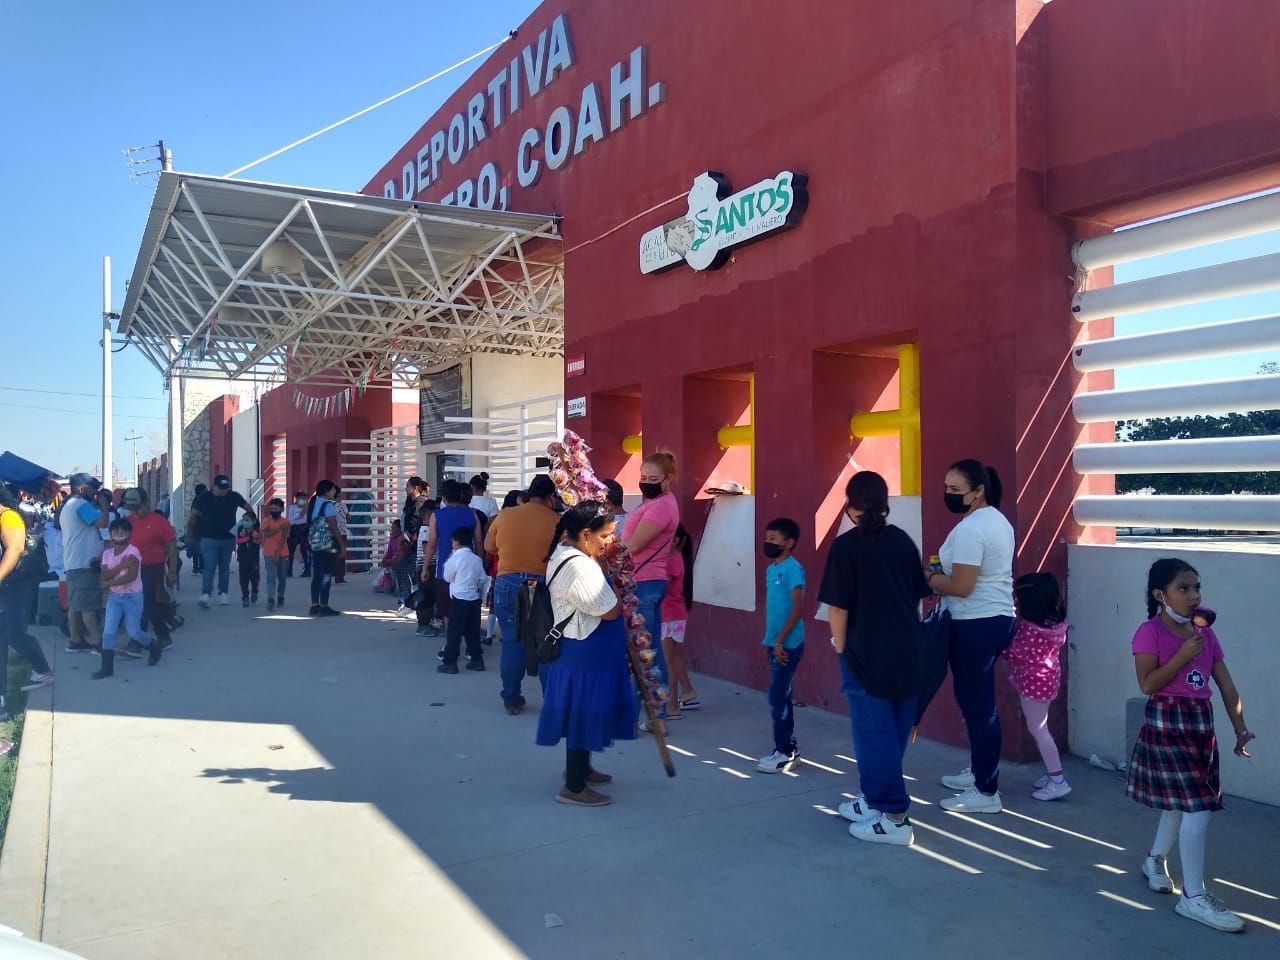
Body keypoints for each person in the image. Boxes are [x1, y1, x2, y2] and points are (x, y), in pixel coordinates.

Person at [1127, 559, 1253, 934]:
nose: (1194, 595)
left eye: (1196, 587)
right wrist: (1182, 655)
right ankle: (1193, 897)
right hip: (1166, 723)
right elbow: (1147, 684)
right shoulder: (1149, 632)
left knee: (1179, 804)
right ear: (1160, 595)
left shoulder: (1206, 636)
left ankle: (1154, 860)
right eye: (1183, 588)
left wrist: (1240, 728)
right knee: (1197, 807)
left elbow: (1226, 684)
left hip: (1199, 724)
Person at [820, 472, 931, 846]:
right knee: (894, 730)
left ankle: (895, 817)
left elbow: (838, 607)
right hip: (908, 649)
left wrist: (840, 647)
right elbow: (916, 594)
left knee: (873, 733)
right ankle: (874, 797)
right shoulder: (902, 540)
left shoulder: (846, 547)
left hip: (865, 653)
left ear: (851, 506)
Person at [927, 458, 1015, 814]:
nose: (948, 494)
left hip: (974, 621)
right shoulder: (997, 520)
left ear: (978, 490)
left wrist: (929, 578)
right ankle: (980, 771)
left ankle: (986, 790)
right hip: (994, 618)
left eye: (955, 489)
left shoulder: (971, 528)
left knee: (979, 708)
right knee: (974, 703)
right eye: (946, 487)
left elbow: (962, 586)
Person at [537, 500, 636, 806]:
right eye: (605, 535)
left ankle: (581, 769)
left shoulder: (573, 554)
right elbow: (608, 610)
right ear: (585, 534)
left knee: (586, 712)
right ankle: (574, 787)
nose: (609, 541)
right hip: (585, 651)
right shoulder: (579, 566)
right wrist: (614, 590)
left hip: (590, 651)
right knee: (583, 714)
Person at [485, 475, 561, 715]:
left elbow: (489, 547)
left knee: (512, 641)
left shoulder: (506, 515)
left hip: (507, 582)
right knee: (547, 642)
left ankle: (511, 698)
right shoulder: (557, 521)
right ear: (551, 497)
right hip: (541, 584)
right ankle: (551, 701)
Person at [1005, 572, 1071, 801]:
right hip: (1048, 681)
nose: (1016, 601)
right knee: (1042, 729)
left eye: (1018, 597)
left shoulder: (1031, 631)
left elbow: (1014, 653)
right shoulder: (1055, 625)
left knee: (1039, 731)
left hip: (1034, 686)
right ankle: (1052, 772)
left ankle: (1057, 780)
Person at [622, 451, 680, 700]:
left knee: (641, 653)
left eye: (653, 479)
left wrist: (607, 548)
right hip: (648, 581)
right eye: (643, 477)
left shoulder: (660, 507)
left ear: (668, 479)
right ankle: (659, 710)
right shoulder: (658, 502)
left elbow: (635, 545)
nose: (646, 483)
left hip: (644, 583)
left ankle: (640, 711)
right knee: (650, 651)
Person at [756, 518, 806, 773]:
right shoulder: (771, 569)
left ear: (789, 542)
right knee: (782, 695)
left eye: (773, 539)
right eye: (767, 538)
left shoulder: (793, 569)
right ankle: (789, 748)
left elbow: (797, 609)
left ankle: (784, 752)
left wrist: (780, 640)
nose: (768, 542)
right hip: (774, 642)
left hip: (786, 644)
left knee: (777, 697)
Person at [0, 486, 54, 706]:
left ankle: (42, 670)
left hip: (15, 585)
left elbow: (14, 549)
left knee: (13, 633)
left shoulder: (8, 517)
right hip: (9, 585)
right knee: (9, 634)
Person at [96, 517, 162, 678]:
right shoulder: (107, 554)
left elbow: (131, 577)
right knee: (108, 632)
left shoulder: (133, 552)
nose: (119, 534)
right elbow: (104, 574)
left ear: (129, 533)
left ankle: (153, 646)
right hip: (115, 597)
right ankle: (107, 668)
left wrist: (109, 582)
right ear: (111, 534)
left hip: (133, 597)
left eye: (123, 531)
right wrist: (121, 566)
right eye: (116, 531)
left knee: (133, 631)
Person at [423, 480, 484, 639]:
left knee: (447, 611)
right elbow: (479, 543)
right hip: (469, 569)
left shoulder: (436, 516)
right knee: (469, 607)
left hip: (444, 570)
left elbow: (431, 544)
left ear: (444, 498)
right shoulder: (472, 514)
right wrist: (481, 564)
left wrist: (425, 567)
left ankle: (450, 643)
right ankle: (472, 646)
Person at [122, 488, 178, 655]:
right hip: (133, 570)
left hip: (152, 569)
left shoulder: (159, 522)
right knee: (150, 607)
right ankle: (164, 638)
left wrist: (172, 571)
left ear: (147, 503)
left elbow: (172, 547)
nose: (135, 512)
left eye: (138, 508)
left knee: (142, 605)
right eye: (132, 509)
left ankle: (137, 643)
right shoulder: (127, 522)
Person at [61, 473, 108, 653]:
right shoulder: (81, 505)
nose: (96, 492)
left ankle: (75, 640)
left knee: (75, 605)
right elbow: (103, 523)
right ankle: (96, 643)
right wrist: (104, 506)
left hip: (73, 563)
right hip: (85, 564)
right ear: (82, 489)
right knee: (89, 606)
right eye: (93, 488)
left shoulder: (69, 505)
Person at [188, 474, 250, 609]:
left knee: (224, 567)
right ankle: (206, 594)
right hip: (208, 538)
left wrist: (244, 525)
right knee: (209, 566)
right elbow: (193, 515)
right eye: (221, 488)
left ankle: (223, 593)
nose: (223, 491)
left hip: (228, 538)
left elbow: (248, 508)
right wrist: (191, 533)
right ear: (214, 486)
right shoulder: (203, 498)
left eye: (225, 488)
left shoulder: (233, 496)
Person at [439, 526, 488, 674]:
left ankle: (450, 662)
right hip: (474, 599)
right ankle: (477, 660)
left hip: (459, 598)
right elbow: (483, 578)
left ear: (457, 542)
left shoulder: (455, 558)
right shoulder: (476, 559)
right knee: (472, 631)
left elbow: (447, 577)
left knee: (454, 632)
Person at [661, 524, 698, 717]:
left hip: (669, 615)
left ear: (675, 540)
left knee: (667, 660)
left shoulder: (671, 561)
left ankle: (672, 706)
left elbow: (661, 588)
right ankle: (688, 692)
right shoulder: (675, 559)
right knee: (672, 656)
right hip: (673, 614)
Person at [306, 481, 344, 617]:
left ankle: (314, 605)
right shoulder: (328, 505)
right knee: (326, 575)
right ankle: (324, 606)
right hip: (328, 545)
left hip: (315, 544)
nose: (334, 492)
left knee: (316, 574)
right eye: (333, 490)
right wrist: (342, 546)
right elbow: (334, 528)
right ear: (326, 491)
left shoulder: (313, 502)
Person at [396, 477, 431, 613]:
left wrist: (405, 537)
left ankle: (410, 602)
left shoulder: (419, 504)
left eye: (407, 486)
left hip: (414, 544)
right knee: (406, 571)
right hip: (410, 544)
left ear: (415, 488)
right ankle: (408, 601)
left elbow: (414, 523)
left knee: (407, 571)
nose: (405, 488)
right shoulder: (413, 502)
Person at [259, 498, 291, 610]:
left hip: (283, 553)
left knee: (282, 577)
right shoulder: (266, 520)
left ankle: (280, 597)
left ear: (282, 509)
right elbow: (266, 534)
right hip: (268, 552)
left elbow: (283, 538)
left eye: (276, 509)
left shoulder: (286, 521)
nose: (273, 511)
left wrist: (277, 553)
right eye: (271, 509)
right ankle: (270, 599)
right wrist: (279, 528)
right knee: (271, 577)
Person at [234, 512, 262, 606]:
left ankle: (255, 592)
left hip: (254, 559)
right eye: (243, 520)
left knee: (255, 578)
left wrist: (254, 536)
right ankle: (245, 596)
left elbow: (259, 541)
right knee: (243, 579)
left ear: (253, 521)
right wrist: (246, 537)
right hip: (242, 558)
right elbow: (237, 541)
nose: (245, 522)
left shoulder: (257, 530)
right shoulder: (240, 529)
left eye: (247, 520)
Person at [286, 491, 310, 577]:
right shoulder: (292, 507)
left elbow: (309, 519)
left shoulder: (308, 508)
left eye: (305, 498)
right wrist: (302, 513)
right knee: (291, 551)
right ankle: (289, 571)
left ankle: (307, 570)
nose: (303, 500)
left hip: (305, 529)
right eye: (301, 498)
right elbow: (291, 520)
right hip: (295, 529)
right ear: (297, 498)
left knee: (304, 550)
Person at [187, 483, 208, 574]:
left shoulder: (198, 500)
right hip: (199, 527)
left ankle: (198, 567)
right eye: (205, 490)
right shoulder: (199, 501)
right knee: (199, 548)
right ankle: (199, 567)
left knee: (199, 547)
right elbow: (196, 513)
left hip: (199, 527)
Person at [332, 486, 350, 584]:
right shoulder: (342, 505)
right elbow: (347, 516)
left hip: (331, 533)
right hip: (342, 532)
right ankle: (339, 577)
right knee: (341, 554)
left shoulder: (328, 505)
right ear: (338, 494)